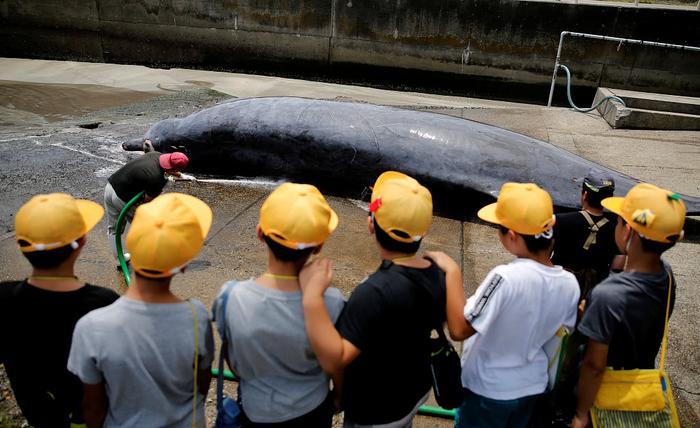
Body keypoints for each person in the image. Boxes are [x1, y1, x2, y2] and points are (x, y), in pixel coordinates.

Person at [300, 171, 447, 427]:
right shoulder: (437, 273)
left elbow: (337, 358)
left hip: (375, 410)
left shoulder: (372, 293)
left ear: (371, 224)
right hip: (411, 394)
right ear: (423, 231)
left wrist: (312, 299)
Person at [436, 182, 579, 428]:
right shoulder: (570, 283)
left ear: (512, 236)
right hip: (531, 388)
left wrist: (451, 271)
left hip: (488, 393)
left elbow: (459, 329)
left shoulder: (505, 278)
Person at [67, 192, 215, 428]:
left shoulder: (91, 326)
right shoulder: (197, 317)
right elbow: (201, 385)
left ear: (130, 249)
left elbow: (93, 408)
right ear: (185, 265)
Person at [212, 182, 345, 427]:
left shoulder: (230, 297)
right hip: (312, 412)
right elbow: (338, 363)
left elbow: (233, 358)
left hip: (255, 409)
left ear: (260, 233)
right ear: (319, 245)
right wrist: (337, 398)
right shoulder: (333, 302)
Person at [0, 193, 119, 428]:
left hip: (40, 418)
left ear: (22, 246)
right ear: (82, 241)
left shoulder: (4, 298)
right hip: (93, 416)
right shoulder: (104, 303)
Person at [571, 183, 685, 428]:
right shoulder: (667, 276)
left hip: (605, 397)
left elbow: (594, 365)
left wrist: (581, 414)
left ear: (628, 231)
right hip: (641, 390)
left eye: (619, 220)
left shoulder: (607, 295)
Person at [104, 150, 190, 261]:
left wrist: (181, 175)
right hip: (122, 199)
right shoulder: (157, 179)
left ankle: (119, 260)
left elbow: (168, 167)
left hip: (111, 187)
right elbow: (147, 201)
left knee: (114, 229)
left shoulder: (155, 154)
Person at [551, 169, 621, 299]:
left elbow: (544, 255)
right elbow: (617, 267)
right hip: (595, 294)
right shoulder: (617, 228)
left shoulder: (560, 221)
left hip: (560, 290)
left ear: (584, 194)